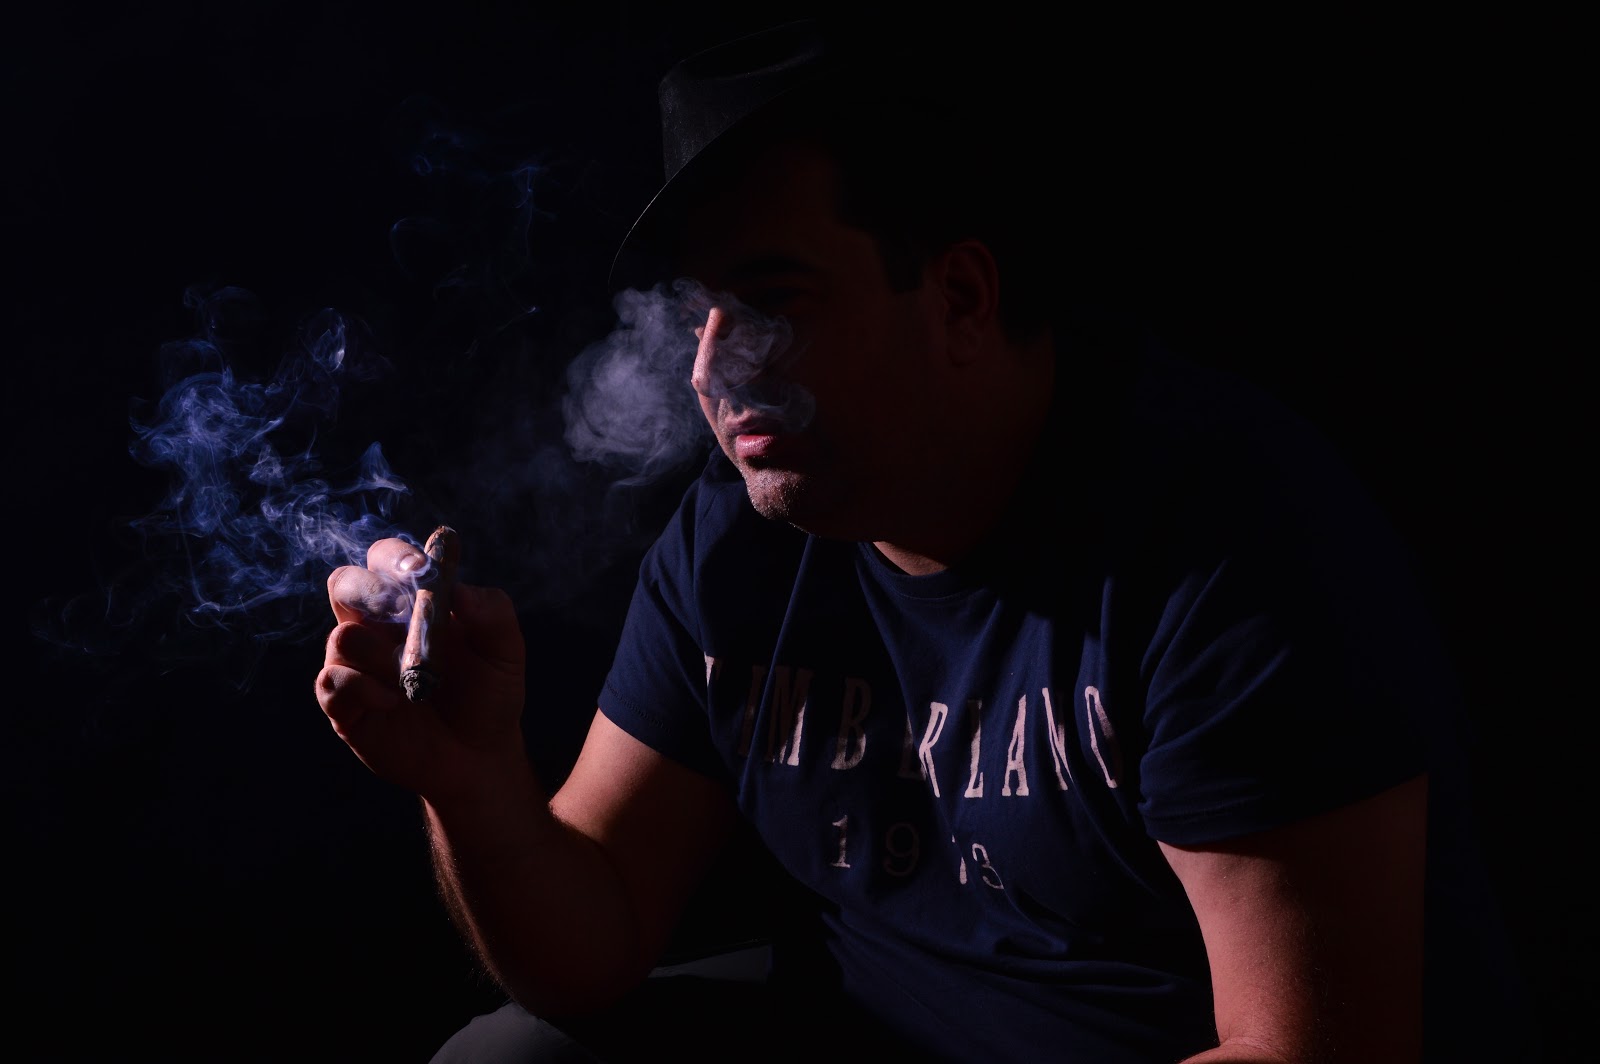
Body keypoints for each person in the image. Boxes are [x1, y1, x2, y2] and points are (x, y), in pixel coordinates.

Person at [317, 18, 1528, 1063]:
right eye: (697, 315)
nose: (711, 370)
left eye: (775, 300)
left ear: (957, 298)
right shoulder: (736, 541)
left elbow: (1309, 1045)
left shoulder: (1226, 543)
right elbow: (593, 941)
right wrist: (472, 781)